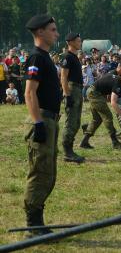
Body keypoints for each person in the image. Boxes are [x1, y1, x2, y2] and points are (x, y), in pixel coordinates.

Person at [23, 14, 61, 237]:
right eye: (53, 30)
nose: (56, 33)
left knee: (48, 172)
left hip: (49, 120)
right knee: (40, 172)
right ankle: (33, 224)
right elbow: (29, 93)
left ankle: (37, 219)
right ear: (40, 32)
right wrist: (38, 123)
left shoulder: (45, 57)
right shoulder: (37, 58)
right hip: (42, 119)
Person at [79, 71, 121, 149]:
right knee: (108, 116)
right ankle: (115, 142)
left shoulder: (116, 78)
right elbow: (113, 102)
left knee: (97, 119)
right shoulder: (119, 82)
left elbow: (108, 89)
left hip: (92, 91)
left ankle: (84, 142)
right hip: (95, 93)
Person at [61, 32, 85, 163]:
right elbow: (63, 76)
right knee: (71, 121)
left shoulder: (74, 57)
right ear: (70, 42)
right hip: (72, 89)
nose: (80, 42)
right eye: (78, 41)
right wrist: (67, 94)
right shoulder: (67, 57)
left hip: (77, 89)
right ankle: (67, 152)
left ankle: (69, 150)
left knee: (76, 122)